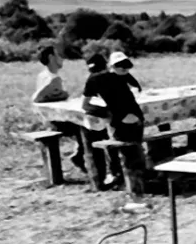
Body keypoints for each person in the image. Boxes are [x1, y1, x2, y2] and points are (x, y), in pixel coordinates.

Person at [82, 52, 145, 188]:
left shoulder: (93, 79)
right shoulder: (118, 74)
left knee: (110, 137)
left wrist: (106, 112)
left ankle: (117, 175)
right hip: (136, 118)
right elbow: (137, 88)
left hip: (121, 121)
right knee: (133, 148)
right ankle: (132, 175)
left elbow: (85, 105)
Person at [31, 44, 88, 172]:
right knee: (87, 125)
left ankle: (79, 154)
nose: (62, 58)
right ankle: (82, 156)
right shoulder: (54, 79)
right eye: (58, 55)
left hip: (48, 120)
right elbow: (36, 98)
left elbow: (48, 97)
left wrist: (61, 96)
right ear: (51, 57)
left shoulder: (43, 75)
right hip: (57, 122)